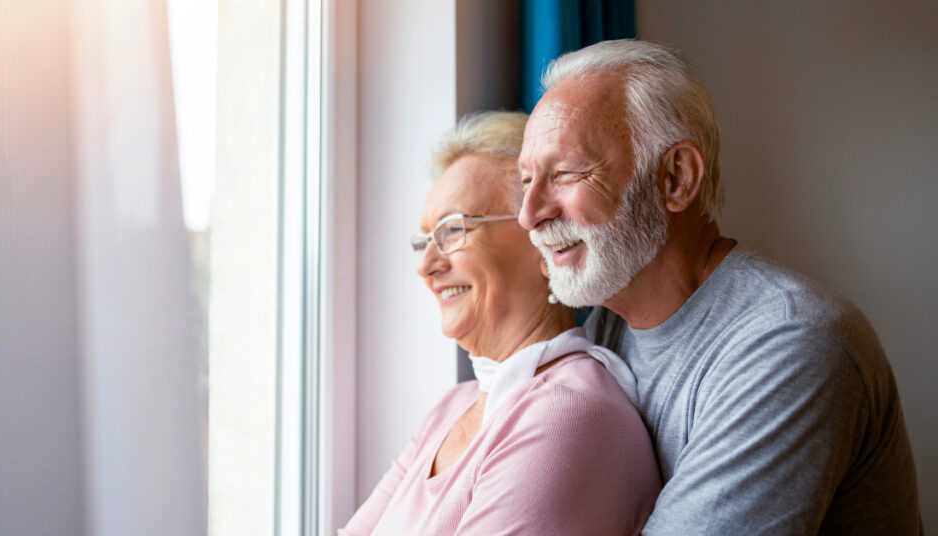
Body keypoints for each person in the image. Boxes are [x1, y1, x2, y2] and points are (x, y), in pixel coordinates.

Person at [518, 39, 922, 535]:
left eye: (565, 173)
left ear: (675, 178)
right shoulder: (604, 331)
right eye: (525, 182)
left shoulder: (790, 343)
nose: (530, 214)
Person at [340, 111, 660, 535]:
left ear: (546, 241)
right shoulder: (451, 408)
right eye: (423, 240)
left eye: (453, 230)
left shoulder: (568, 414)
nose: (427, 265)